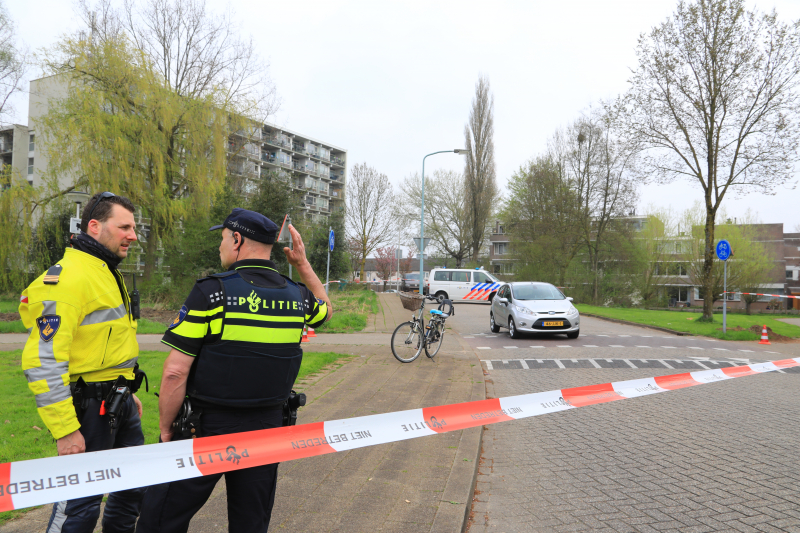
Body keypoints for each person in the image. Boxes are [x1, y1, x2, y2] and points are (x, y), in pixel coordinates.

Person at [136, 208, 332, 533]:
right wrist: (302, 264)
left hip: (205, 429)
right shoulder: (297, 295)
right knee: (250, 524)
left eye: (224, 238)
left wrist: (166, 429)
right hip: (268, 430)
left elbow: (174, 372)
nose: (220, 245)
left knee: (160, 521)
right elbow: (325, 313)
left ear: (238, 239)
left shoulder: (212, 292)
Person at [20, 192, 147, 533]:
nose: (133, 235)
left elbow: (106, 343)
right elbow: (43, 362)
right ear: (94, 226)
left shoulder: (105, 271)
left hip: (118, 402)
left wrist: (125, 385)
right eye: (125, 227)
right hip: (86, 410)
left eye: (133, 227)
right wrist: (65, 430)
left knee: (133, 489)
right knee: (80, 506)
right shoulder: (67, 279)